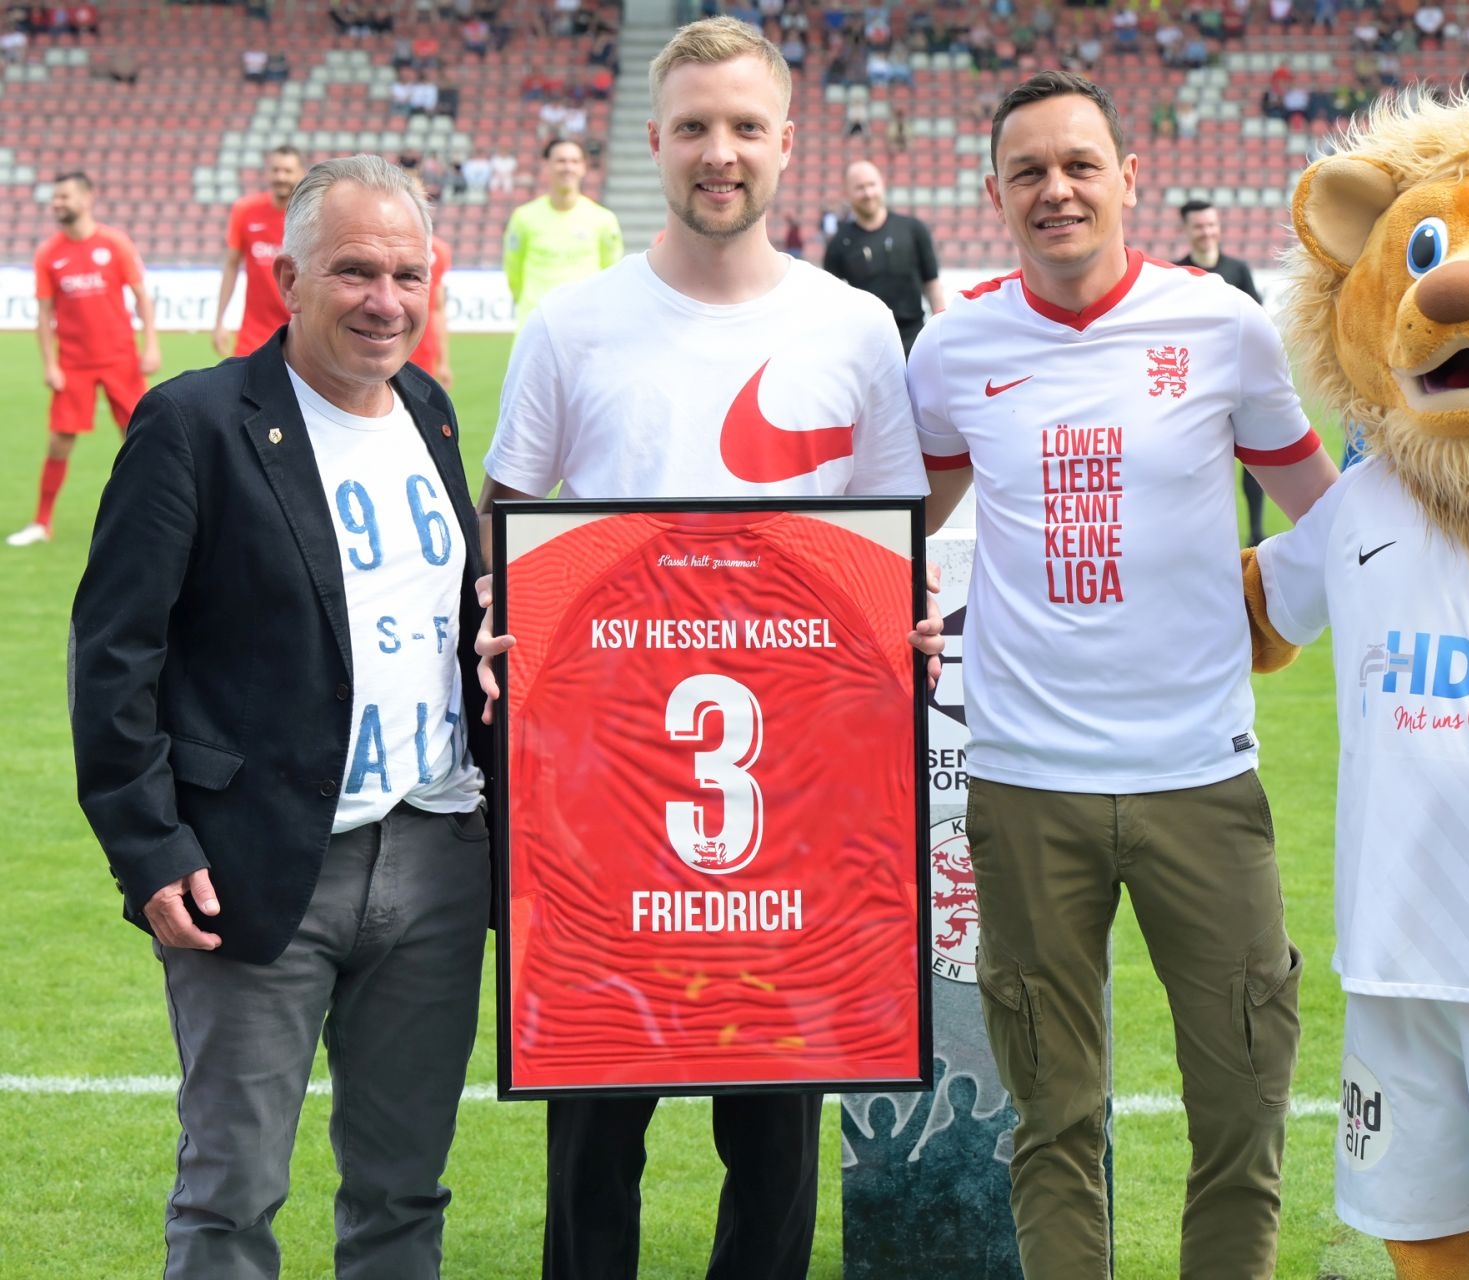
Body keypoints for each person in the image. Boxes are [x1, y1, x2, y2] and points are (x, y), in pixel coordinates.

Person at [474, 18, 938, 1280]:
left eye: (742, 127)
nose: (717, 152)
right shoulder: (571, 326)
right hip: (604, 793)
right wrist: (502, 614)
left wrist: (906, 628)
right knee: (594, 1121)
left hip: (797, 795)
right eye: (692, 127)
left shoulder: (853, 325)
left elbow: (889, 545)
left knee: (778, 1130)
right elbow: (508, 519)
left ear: (786, 141)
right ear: (654, 142)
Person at [908, 71, 1338, 1279]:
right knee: (1053, 1115)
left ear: (1129, 178)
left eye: (1080, 164)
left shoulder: (1222, 326)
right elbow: (890, 528)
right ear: (995, 192)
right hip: (1025, 781)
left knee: (1245, 1102)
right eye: (1029, 171)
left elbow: (1331, 517)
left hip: (1201, 775)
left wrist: (1290, 601)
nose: (1057, 189)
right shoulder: (953, 347)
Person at [69, 154, 492, 1276]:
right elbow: (114, 652)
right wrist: (148, 845)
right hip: (256, 864)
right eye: (355, 271)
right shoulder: (194, 422)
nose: (385, 300)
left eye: (408, 275)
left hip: (438, 853)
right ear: (289, 278)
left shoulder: (431, 410)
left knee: (405, 1190)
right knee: (232, 1195)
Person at [9, 171, 159, 547]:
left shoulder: (115, 243)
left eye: (64, 196)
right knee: (59, 441)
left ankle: (153, 516)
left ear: (87, 198)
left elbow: (141, 297)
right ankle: (42, 522)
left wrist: (151, 346)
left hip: (120, 359)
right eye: (55, 197)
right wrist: (50, 364)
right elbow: (44, 314)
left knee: (140, 437)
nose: (57, 203)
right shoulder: (49, 253)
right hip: (73, 363)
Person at [1174, 198, 1272, 546]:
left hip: (1238, 380)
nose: (1206, 232)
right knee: (1200, 464)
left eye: (1211, 224)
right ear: (1186, 230)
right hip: (1195, 386)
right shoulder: (1176, 275)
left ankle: (1256, 533)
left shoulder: (1238, 270)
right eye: (1199, 226)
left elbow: (1257, 323)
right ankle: (1202, 536)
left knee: (1253, 459)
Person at [822, 160, 945, 353]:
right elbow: (831, 301)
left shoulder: (913, 230)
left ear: (882, 184)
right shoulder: (839, 243)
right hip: (865, 345)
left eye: (872, 185)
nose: (868, 193)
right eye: (860, 188)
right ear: (847, 193)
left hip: (914, 339)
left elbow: (932, 283)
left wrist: (941, 330)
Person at [501, 136, 623, 327]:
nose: (568, 167)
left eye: (574, 161)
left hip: (585, 323)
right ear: (546, 166)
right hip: (535, 323)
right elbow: (513, 271)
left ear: (583, 168)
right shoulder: (523, 218)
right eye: (561, 161)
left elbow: (612, 273)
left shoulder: (604, 220)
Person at [214, 144, 307, 358]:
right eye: (275, 170)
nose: (280, 177)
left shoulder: (312, 216)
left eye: (287, 171)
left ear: (301, 173)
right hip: (254, 334)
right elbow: (231, 265)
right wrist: (220, 321)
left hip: (300, 330)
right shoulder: (245, 211)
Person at [409, 177, 455, 387]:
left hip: (423, 352)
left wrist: (443, 361)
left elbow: (437, 309)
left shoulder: (438, 251)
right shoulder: (374, 246)